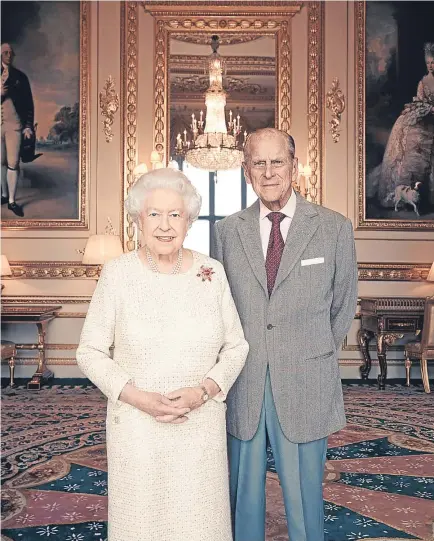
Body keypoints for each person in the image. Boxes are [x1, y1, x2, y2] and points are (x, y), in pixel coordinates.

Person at [76, 168, 248, 541]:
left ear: (189, 221)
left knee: (199, 523)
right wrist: (139, 398)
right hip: (137, 428)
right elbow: (89, 351)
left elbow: (237, 346)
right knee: (142, 524)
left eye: (175, 215)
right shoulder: (117, 275)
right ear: (138, 219)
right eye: (154, 214)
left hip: (199, 425)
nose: (165, 225)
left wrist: (203, 391)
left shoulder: (212, 273)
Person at [212, 127, 358, 541]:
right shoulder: (226, 232)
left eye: (278, 161)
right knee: (242, 494)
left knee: (305, 499)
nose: (269, 171)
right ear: (246, 171)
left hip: (306, 379)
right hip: (244, 380)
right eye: (259, 162)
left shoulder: (333, 228)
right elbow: (221, 306)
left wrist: (310, 352)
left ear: (295, 166)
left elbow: (343, 306)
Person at [373, 42, 434, 209]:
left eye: (433, 63)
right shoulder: (423, 82)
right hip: (425, 118)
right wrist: (427, 108)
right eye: (428, 63)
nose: (430, 66)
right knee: (411, 141)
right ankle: (411, 195)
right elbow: (420, 101)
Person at [1, 43, 35, 217]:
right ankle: (4, 195)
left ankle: (12, 202)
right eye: (5, 52)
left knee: (13, 163)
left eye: (10, 53)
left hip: (14, 125)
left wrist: (28, 125)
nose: (9, 55)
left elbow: (28, 103)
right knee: (0, 161)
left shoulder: (20, 77)